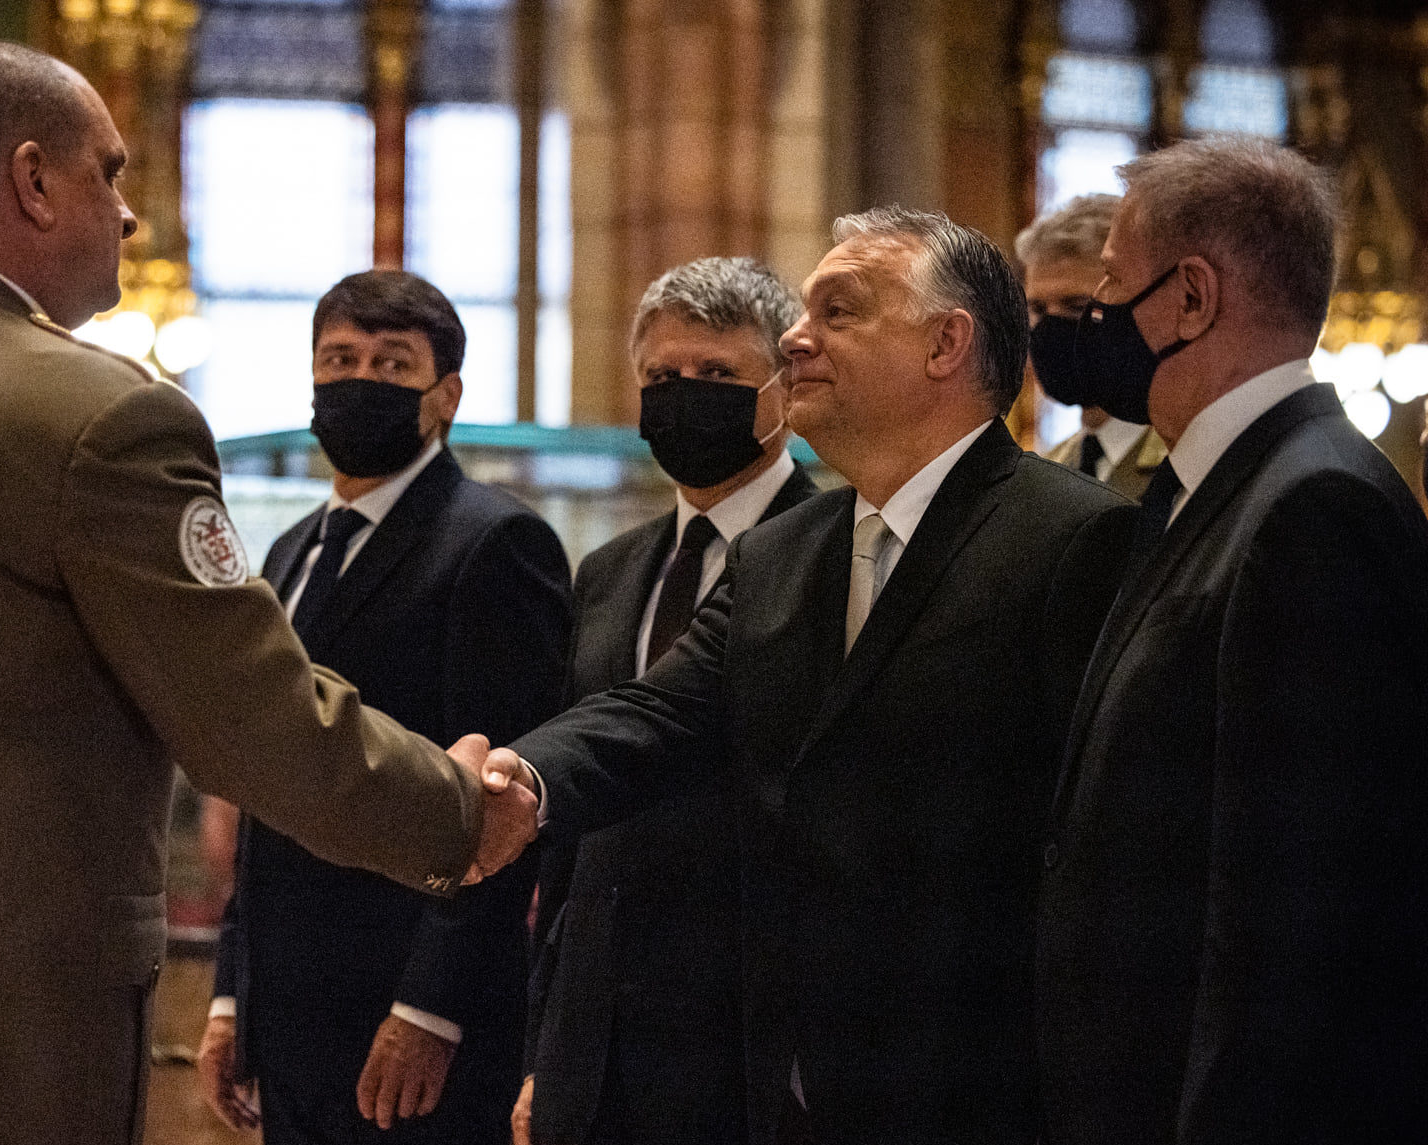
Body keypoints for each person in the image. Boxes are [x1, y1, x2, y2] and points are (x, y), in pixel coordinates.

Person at [0, 41, 532, 1145]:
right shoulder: (105, 417)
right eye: (107, 173)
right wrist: (455, 810)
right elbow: (248, 715)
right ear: (31, 179)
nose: (127, 211)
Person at [475, 208, 1136, 1145]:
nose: (795, 337)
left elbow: (1103, 859)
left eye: (839, 311)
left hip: (975, 1088)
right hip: (785, 1090)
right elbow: (656, 713)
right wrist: (522, 779)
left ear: (946, 343)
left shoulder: (1075, 537)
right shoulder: (785, 549)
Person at [1038, 138, 1428, 1144]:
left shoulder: (1314, 502)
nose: (1096, 314)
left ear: (1190, 297)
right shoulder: (1207, 486)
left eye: (1111, 283)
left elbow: (1294, 914)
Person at [200, 269, 573, 1144]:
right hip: (288, 1011)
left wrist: (429, 1007)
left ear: (446, 396)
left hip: (409, 1019)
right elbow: (268, 787)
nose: (360, 378)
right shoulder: (293, 550)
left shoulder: (496, 543)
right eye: (339, 359)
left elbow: (500, 802)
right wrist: (230, 996)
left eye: (392, 363)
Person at [516, 257, 817, 1145]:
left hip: (749, 1038)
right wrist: (543, 1048)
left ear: (782, 386)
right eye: (662, 377)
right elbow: (574, 829)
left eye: (717, 374)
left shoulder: (829, 552)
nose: (685, 395)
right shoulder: (612, 571)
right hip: (595, 1042)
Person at [1017, 194, 1165, 498]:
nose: (1049, 328)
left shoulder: (1186, 463)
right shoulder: (1050, 470)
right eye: (1038, 309)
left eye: (1077, 306)